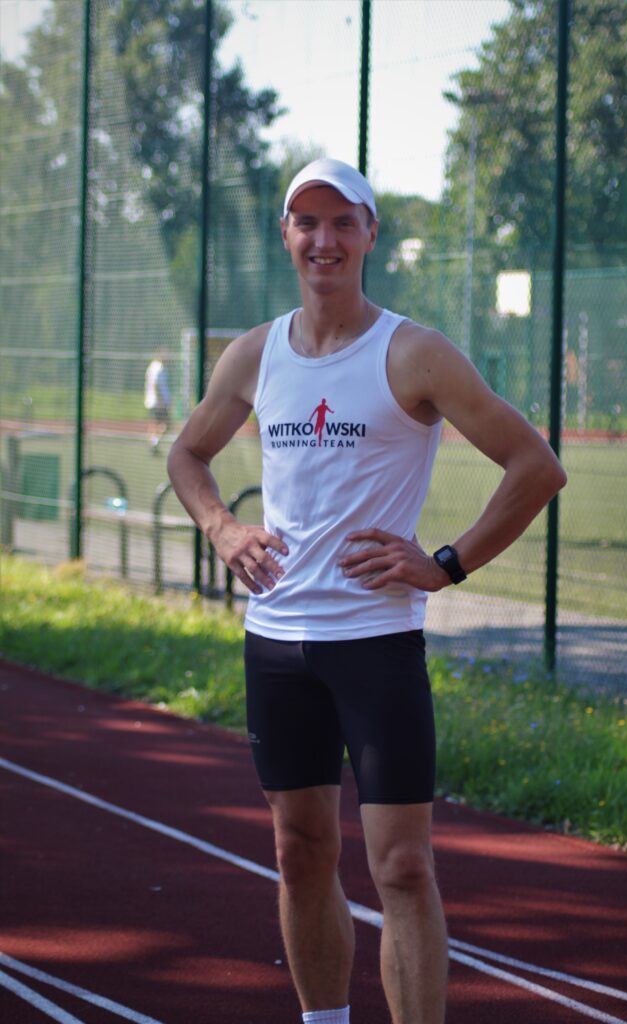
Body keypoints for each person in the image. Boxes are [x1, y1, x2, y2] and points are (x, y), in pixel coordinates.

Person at [168, 158, 566, 1024]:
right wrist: (223, 529)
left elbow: (535, 466)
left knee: (403, 868)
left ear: (370, 235)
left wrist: (446, 563)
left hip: (376, 645)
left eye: (343, 222)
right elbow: (187, 453)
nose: (325, 240)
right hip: (277, 644)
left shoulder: (413, 352)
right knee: (299, 851)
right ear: (286, 235)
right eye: (307, 223)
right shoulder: (254, 354)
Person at [144, 351, 171, 453]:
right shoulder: (158, 368)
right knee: (162, 424)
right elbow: (155, 385)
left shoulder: (159, 367)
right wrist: (160, 401)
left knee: (160, 425)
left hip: (157, 402)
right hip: (157, 403)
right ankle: (154, 444)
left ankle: (154, 444)